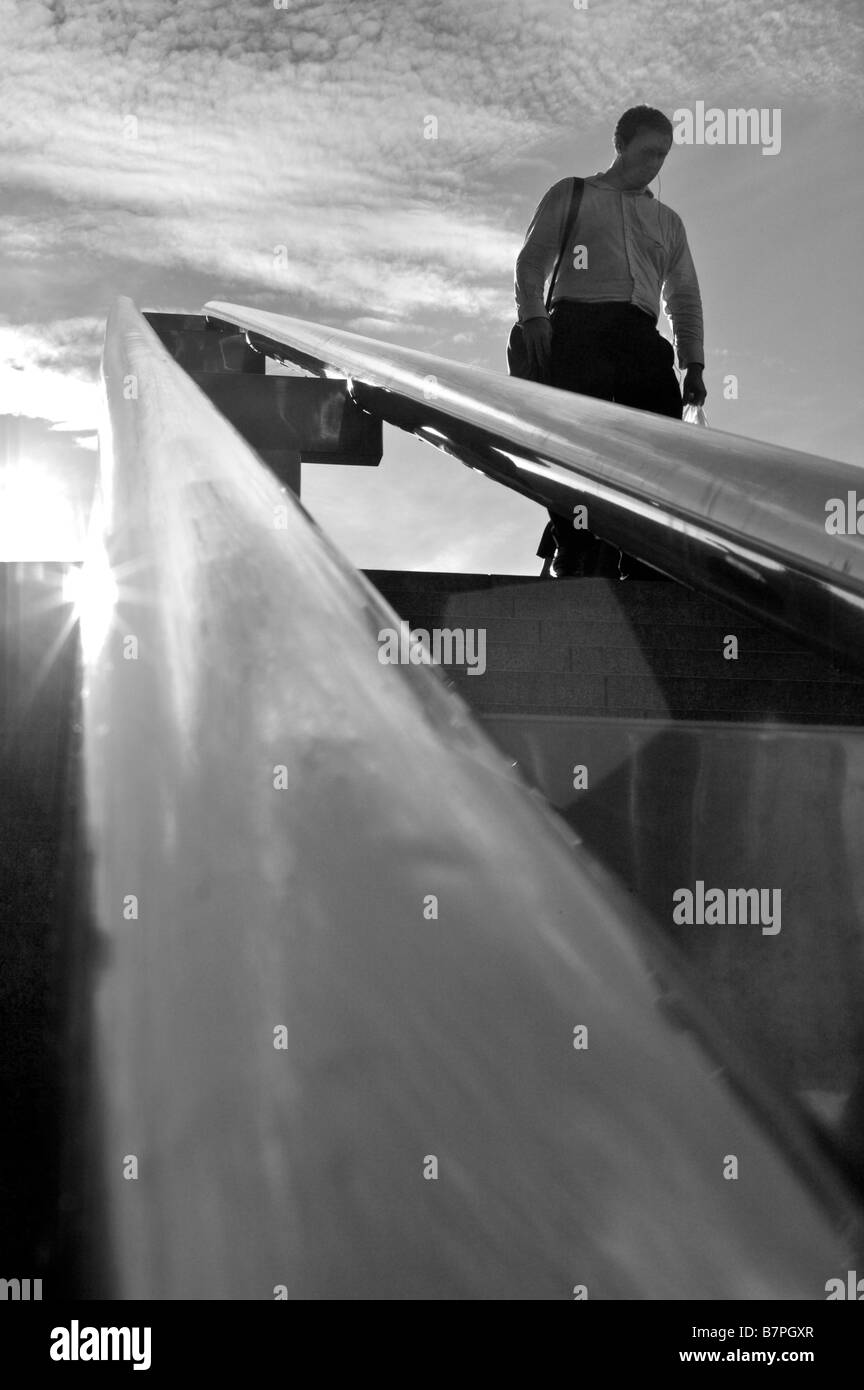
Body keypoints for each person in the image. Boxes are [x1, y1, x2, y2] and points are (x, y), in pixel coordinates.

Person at [514, 105, 707, 578]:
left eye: (663, 154)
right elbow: (532, 261)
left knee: (657, 445)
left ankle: (643, 559)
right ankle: (575, 549)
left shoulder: (668, 222)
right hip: (576, 326)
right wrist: (535, 316)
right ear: (620, 145)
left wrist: (693, 364)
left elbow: (683, 296)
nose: (655, 163)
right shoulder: (572, 193)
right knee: (574, 443)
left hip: (640, 334)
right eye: (647, 152)